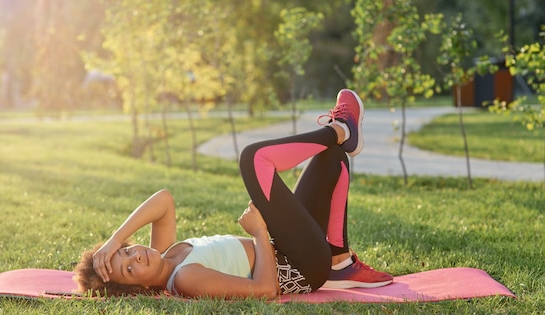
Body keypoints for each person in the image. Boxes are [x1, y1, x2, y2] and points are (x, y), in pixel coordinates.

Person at [73, 89, 393, 299]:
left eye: (128, 252)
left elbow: (164, 200)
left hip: (288, 248)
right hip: (300, 267)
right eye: (129, 270)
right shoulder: (184, 279)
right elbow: (265, 290)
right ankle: (341, 129)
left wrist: (114, 240)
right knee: (254, 160)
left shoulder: (167, 252)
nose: (136, 257)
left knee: (333, 159)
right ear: (140, 288)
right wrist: (258, 231)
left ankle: (340, 260)